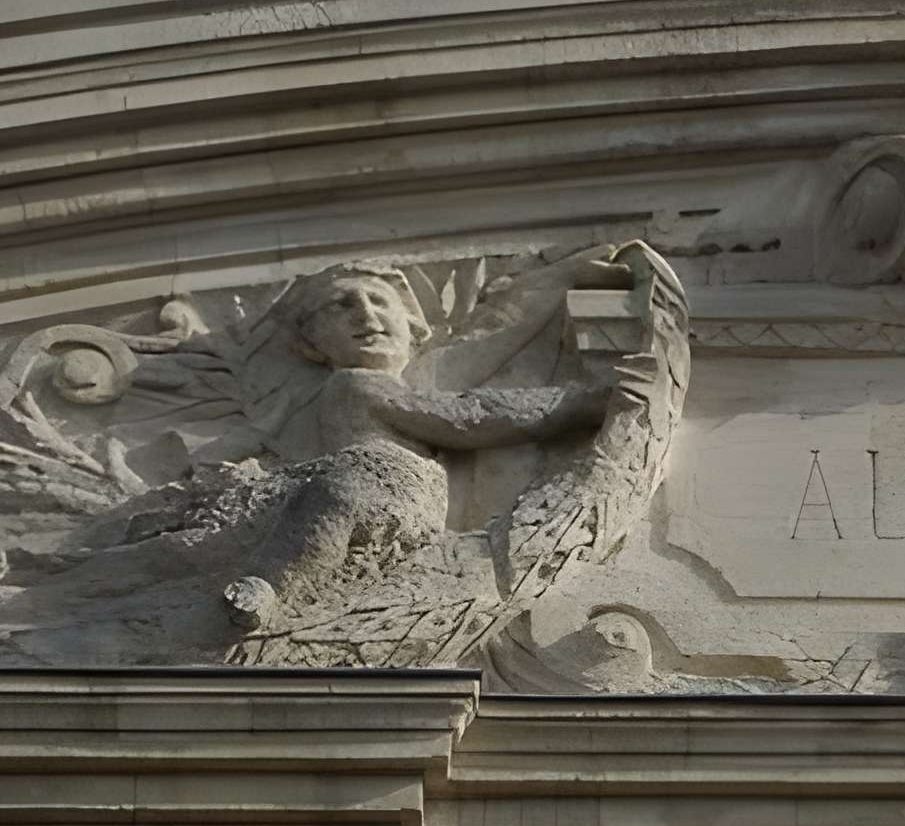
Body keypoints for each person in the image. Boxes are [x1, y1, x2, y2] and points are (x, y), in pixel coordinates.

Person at [220, 245, 673, 627]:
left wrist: (560, 278)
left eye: (379, 301)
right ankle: (271, 587)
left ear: (415, 330)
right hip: (369, 486)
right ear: (309, 345)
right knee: (332, 502)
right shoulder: (353, 382)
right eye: (340, 304)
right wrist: (580, 403)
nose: (366, 314)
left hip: (409, 501)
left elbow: (486, 341)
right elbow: (465, 416)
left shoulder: (405, 376)